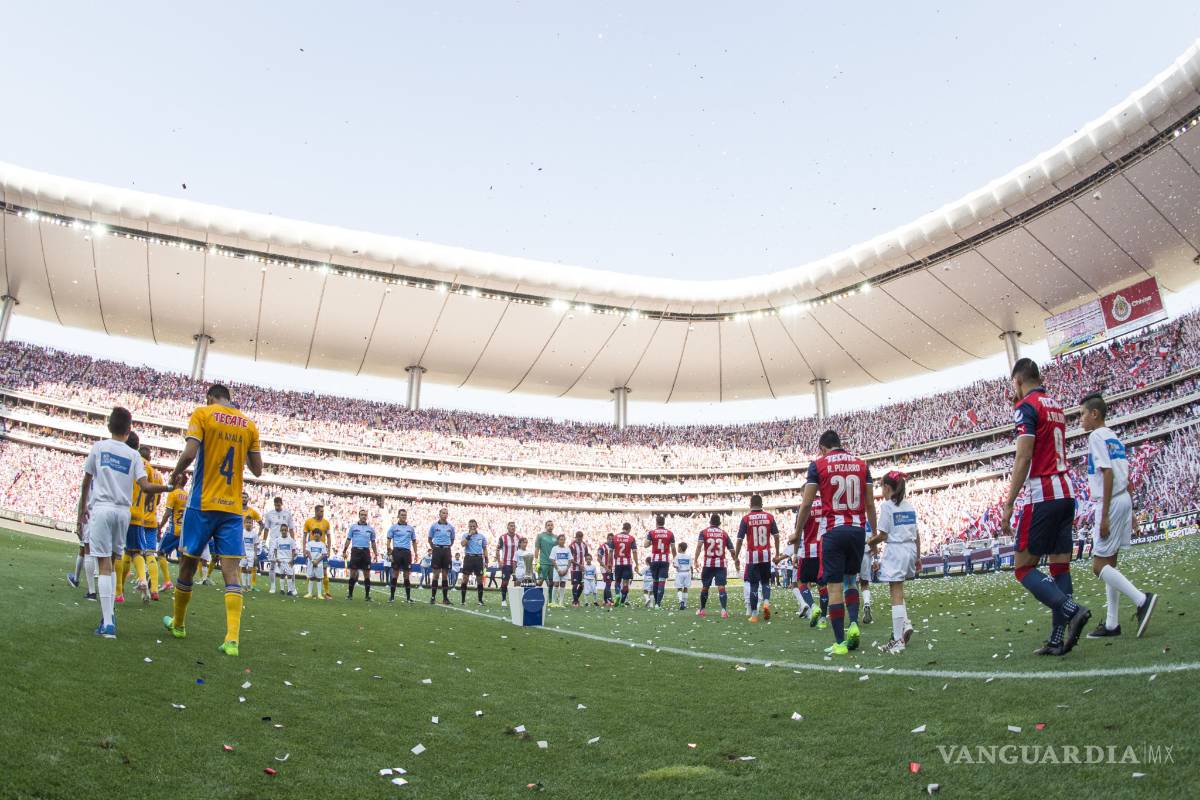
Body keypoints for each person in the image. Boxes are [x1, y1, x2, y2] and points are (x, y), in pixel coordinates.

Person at [162, 383, 264, 658]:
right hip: (232, 510)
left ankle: (179, 624)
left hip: (202, 504)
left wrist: (175, 474)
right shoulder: (249, 425)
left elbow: (190, 453)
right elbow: (257, 470)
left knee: (187, 565)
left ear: (209, 397)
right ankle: (232, 640)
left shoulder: (203, 414)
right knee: (232, 573)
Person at [1001, 359, 1090, 657]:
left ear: (1018, 381)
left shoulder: (1026, 407)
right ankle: (1056, 639)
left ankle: (1072, 610)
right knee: (1059, 566)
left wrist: (1009, 502)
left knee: (1023, 567)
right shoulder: (1055, 405)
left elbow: (1024, 456)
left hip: (1043, 495)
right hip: (1066, 492)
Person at [76, 407, 167, 638]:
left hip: (102, 509)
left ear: (109, 426)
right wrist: (168, 487)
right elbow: (146, 487)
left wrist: (81, 511)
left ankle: (108, 623)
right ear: (129, 430)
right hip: (123, 513)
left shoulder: (99, 448)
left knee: (104, 565)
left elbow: (86, 482)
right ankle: (110, 615)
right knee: (115, 560)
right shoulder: (134, 455)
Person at [1079, 393, 1158, 638]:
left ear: (1094, 414)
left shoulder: (1095, 436)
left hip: (1110, 501)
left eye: (1082, 414)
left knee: (1099, 566)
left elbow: (1107, 473)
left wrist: (1103, 516)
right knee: (1110, 563)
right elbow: (1126, 475)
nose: (1080, 419)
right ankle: (1112, 624)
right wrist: (1131, 512)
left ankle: (1142, 600)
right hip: (1123, 499)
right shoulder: (1113, 436)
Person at [793, 429, 875, 656]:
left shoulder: (817, 465)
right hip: (857, 530)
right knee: (851, 581)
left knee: (834, 587)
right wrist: (875, 535)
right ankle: (854, 624)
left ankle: (840, 642)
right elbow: (870, 504)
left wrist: (797, 533)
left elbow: (807, 503)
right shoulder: (861, 464)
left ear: (822, 447)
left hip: (834, 531)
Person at [870, 471, 919, 654]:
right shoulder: (909, 506)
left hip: (896, 550)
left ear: (887, 487)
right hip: (910, 549)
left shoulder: (887, 506)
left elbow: (883, 535)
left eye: (881, 486)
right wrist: (918, 557)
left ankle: (898, 640)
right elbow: (917, 534)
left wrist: (869, 542)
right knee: (899, 590)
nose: (880, 490)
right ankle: (905, 625)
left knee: (895, 593)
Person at [734, 494, 780, 623]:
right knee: (765, 582)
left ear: (750, 505)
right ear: (762, 504)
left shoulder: (746, 519)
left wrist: (736, 556)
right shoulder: (769, 517)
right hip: (765, 555)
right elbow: (776, 536)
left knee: (754, 585)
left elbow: (739, 539)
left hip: (752, 556)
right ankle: (766, 602)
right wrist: (777, 553)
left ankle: (754, 614)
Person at [696, 514, 738, 619]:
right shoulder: (724, 533)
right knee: (721, 587)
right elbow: (732, 550)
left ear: (710, 522)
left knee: (705, 587)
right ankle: (723, 610)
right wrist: (735, 560)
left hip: (708, 564)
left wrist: (695, 560)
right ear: (719, 523)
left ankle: (702, 610)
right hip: (721, 564)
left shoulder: (704, 532)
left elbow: (699, 546)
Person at [155, 472, 188, 593]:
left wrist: (160, 526)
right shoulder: (188, 495)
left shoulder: (173, 494)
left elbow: (168, 513)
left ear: (178, 481)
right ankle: (182, 585)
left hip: (173, 531)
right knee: (182, 558)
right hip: (183, 532)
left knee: (160, 552)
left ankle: (167, 581)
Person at [342, 509, 378, 601]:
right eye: (362, 515)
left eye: (365, 515)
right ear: (359, 516)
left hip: (366, 552)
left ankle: (367, 596)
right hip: (355, 551)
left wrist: (376, 553)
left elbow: (373, 542)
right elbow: (348, 539)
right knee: (353, 573)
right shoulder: (353, 527)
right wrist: (344, 550)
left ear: (367, 516)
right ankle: (350, 595)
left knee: (367, 574)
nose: (363, 516)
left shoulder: (371, 529)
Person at [264, 496, 296, 594]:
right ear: (274, 504)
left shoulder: (287, 514)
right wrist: (264, 541)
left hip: (285, 542)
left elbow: (291, 529)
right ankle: (273, 586)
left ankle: (293, 587)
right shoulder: (269, 514)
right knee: (272, 564)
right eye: (276, 504)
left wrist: (293, 541)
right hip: (274, 542)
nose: (278, 506)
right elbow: (266, 529)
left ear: (281, 504)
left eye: (279, 504)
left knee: (290, 565)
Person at [645, 515, 676, 608]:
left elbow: (645, 545)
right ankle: (658, 604)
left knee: (655, 581)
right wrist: (675, 559)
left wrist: (652, 542)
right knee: (662, 582)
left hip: (654, 560)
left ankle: (656, 602)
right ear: (664, 522)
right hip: (664, 560)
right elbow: (673, 548)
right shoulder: (670, 533)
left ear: (656, 522)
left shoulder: (652, 533)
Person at [387, 509, 417, 603]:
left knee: (406, 575)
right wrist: (389, 553)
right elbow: (389, 540)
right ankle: (392, 597)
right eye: (402, 515)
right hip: (396, 551)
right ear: (398, 516)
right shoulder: (393, 527)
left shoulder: (410, 528)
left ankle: (408, 598)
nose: (404, 516)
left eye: (405, 515)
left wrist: (416, 553)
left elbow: (414, 541)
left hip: (407, 553)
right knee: (395, 574)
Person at [303, 504, 332, 599]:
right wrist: (304, 549)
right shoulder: (308, 522)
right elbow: (304, 536)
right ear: (316, 511)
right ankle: (310, 592)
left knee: (325, 572)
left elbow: (329, 537)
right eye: (321, 511)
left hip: (322, 552)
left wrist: (329, 550)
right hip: (312, 552)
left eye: (323, 511)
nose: (322, 513)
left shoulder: (326, 523)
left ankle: (326, 592)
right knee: (310, 572)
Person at [428, 508, 456, 604]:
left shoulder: (451, 527)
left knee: (445, 575)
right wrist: (435, 548)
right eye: (443, 513)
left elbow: (452, 540)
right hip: (437, 550)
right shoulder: (434, 526)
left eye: (446, 513)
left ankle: (445, 598)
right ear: (439, 514)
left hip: (446, 551)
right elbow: (429, 539)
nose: (445, 515)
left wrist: (446, 547)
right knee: (436, 575)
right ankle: (433, 597)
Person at [459, 519, 488, 606]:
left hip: (478, 558)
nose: (472, 528)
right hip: (468, 557)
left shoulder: (481, 536)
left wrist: (486, 560)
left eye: (474, 526)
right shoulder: (465, 535)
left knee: (479, 579)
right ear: (468, 527)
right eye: (471, 526)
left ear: (476, 526)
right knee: (465, 578)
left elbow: (485, 548)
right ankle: (463, 600)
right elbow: (463, 544)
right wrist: (469, 535)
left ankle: (480, 600)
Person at [611, 523, 638, 606]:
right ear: (629, 529)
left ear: (623, 528)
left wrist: (609, 563)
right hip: (627, 563)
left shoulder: (615, 537)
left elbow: (611, 551)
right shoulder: (631, 538)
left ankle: (617, 595)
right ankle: (622, 602)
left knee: (617, 581)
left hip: (618, 563)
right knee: (626, 583)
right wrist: (637, 564)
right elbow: (634, 552)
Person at [495, 521, 520, 607]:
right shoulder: (503, 537)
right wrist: (499, 561)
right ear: (507, 527)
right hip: (506, 563)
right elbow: (497, 550)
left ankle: (516, 600)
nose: (513, 527)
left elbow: (521, 551)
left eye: (514, 526)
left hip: (516, 564)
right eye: (511, 526)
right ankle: (503, 600)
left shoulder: (519, 537)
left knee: (517, 582)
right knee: (505, 582)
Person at [272, 523, 298, 596]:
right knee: (282, 575)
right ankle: (282, 590)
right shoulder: (277, 540)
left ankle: (289, 590)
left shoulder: (291, 540)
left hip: (288, 560)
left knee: (289, 575)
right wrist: (277, 558)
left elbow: (293, 550)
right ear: (280, 530)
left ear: (287, 531)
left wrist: (292, 559)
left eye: (285, 530)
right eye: (282, 530)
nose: (284, 531)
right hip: (280, 560)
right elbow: (275, 550)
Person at [533, 521, 557, 590]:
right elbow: (537, 549)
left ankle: (550, 596)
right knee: (540, 581)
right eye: (548, 525)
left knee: (551, 583)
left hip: (552, 563)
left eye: (551, 525)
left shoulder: (556, 537)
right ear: (545, 526)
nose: (550, 526)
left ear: (553, 527)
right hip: (543, 562)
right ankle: (536, 593)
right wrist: (536, 561)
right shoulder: (540, 536)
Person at [550, 534, 572, 607]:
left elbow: (570, 560)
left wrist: (566, 569)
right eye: (561, 539)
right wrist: (558, 570)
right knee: (556, 584)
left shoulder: (567, 549)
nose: (562, 541)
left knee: (563, 584)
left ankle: (561, 603)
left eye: (563, 539)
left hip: (565, 568)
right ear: (558, 540)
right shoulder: (554, 548)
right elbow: (552, 560)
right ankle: (553, 602)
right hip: (557, 568)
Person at [239, 515, 260, 592]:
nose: (248, 524)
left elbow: (255, 545)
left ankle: (249, 585)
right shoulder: (242, 532)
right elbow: (240, 543)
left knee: (250, 569)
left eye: (250, 523)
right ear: (244, 523)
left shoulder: (254, 534)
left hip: (251, 553)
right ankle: (244, 586)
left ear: (252, 524)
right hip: (243, 553)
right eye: (247, 522)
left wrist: (255, 555)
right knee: (243, 569)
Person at [569, 531, 589, 607]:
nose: (579, 539)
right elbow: (570, 559)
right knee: (575, 584)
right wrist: (578, 565)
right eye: (578, 538)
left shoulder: (584, 545)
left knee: (582, 585)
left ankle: (575, 599)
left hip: (582, 569)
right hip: (574, 568)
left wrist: (587, 565)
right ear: (576, 537)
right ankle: (575, 602)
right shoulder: (572, 546)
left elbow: (586, 556)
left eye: (581, 538)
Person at [672, 541, 693, 611]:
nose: (677, 548)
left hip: (680, 573)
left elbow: (676, 566)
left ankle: (681, 601)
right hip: (687, 573)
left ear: (680, 548)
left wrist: (673, 564)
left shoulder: (677, 556)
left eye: (678, 547)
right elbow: (691, 566)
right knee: (686, 588)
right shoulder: (689, 556)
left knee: (679, 588)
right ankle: (685, 604)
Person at [597, 532, 615, 607]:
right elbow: (599, 559)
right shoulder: (602, 547)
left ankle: (604, 600)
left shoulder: (613, 547)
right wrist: (606, 567)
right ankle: (610, 600)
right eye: (609, 539)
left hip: (611, 568)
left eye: (612, 539)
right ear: (607, 539)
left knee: (608, 583)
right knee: (608, 583)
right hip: (605, 568)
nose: (611, 541)